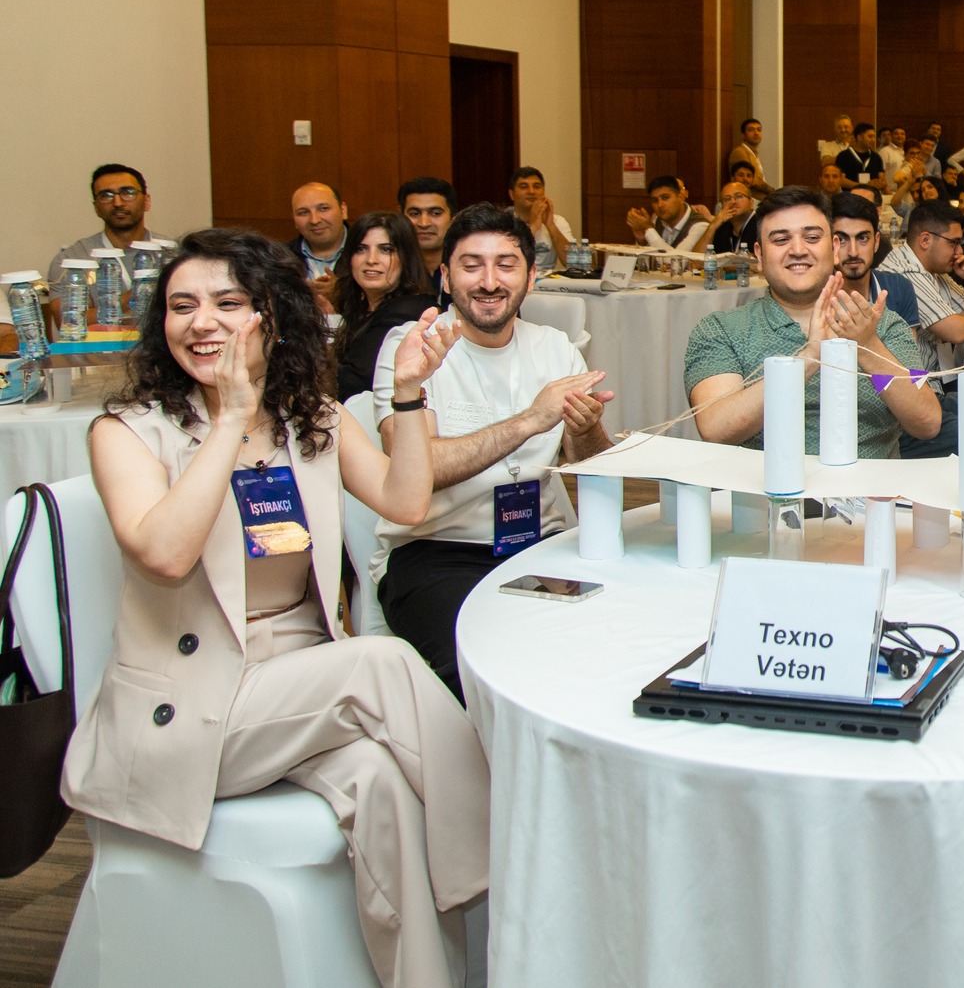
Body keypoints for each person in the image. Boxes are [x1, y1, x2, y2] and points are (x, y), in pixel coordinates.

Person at [69, 228, 490, 988]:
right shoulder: (127, 431)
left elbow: (405, 500)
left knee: (381, 780)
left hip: (296, 693)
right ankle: (513, 864)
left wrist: (407, 393)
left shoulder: (310, 418)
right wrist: (229, 419)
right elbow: (164, 554)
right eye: (181, 306)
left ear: (274, 316)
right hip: (190, 710)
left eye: (228, 303)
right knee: (382, 659)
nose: (202, 322)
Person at [370, 204, 614, 700]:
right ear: (445, 276)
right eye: (471, 265)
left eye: (506, 265)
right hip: (438, 553)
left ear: (531, 276)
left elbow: (591, 466)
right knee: (481, 673)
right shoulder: (412, 349)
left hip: (541, 546)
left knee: (603, 652)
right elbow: (417, 472)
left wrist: (587, 429)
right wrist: (529, 420)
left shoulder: (556, 348)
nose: (489, 282)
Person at [687, 186, 940, 457]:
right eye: (781, 240)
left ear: (834, 249)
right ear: (759, 256)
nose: (798, 250)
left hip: (868, 482)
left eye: (811, 237)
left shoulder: (882, 325)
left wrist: (867, 346)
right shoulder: (722, 330)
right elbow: (716, 429)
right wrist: (810, 358)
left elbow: (926, 423)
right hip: (765, 482)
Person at [880, 200, 964, 371]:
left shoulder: (935, 270)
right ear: (925, 240)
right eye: (953, 243)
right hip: (913, 380)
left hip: (935, 375)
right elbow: (957, 331)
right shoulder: (905, 272)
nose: (960, 251)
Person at [332, 213, 437, 401]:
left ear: (406, 257)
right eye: (361, 249)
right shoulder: (363, 306)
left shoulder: (410, 310)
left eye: (386, 249)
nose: (371, 259)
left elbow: (351, 383)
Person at [51, 163, 159, 285]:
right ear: (96, 208)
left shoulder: (171, 254)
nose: (118, 203)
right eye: (106, 196)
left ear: (146, 201)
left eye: (128, 193)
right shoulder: (72, 260)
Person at [830, 192, 917, 326]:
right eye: (841, 239)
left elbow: (909, 340)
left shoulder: (898, 288)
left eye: (862, 238)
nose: (853, 252)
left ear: (876, 242)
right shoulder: (813, 293)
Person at [287, 181, 350, 309]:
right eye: (303, 212)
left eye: (323, 209)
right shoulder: (279, 259)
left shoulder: (368, 251)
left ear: (343, 210)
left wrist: (343, 294)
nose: (314, 220)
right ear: (294, 220)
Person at [507, 166, 572, 273]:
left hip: (548, 280)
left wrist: (551, 225)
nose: (531, 191)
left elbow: (571, 263)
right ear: (511, 194)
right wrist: (533, 226)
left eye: (536, 187)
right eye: (524, 187)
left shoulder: (558, 221)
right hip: (515, 277)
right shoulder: (503, 222)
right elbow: (508, 259)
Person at [627, 175, 711, 251]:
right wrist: (642, 241)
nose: (660, 205)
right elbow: (647, 261)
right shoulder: (656, 220)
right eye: (655, 200)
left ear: (681, 198)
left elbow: (677, 259)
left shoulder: (701, 225)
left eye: (665, 198)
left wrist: (648, 229)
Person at [397, 176, 455, 283]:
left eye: (435, 213)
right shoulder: (390, 270)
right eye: (414, 214)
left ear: (453, 218)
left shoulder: (467, 269)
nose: (424, 223)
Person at [707, 180, 762, 255]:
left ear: (751, 203)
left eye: (739, 196)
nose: (733, 202)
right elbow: (697, 258)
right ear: (722, 206)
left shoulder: (762, 224)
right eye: (727, 199)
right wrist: (712, 227)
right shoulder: (722, 227)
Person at [727, 116, 773, 193]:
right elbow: (753, 180)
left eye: (759, 130)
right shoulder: (740, 152)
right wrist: (772, 191)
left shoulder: (753, 152)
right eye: (751, 130)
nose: (756, 133)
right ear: (743, 135)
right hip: (749, 196)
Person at [834, 122, 886, 187]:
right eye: (870, 137)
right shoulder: (844, 156)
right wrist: (863, 186)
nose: (873, 140)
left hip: (872, 193)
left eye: (874, 137)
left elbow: (882, 180)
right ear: (860, 137)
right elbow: (840, 179)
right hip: (850, 193)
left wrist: (881, 183)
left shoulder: (876, 157)